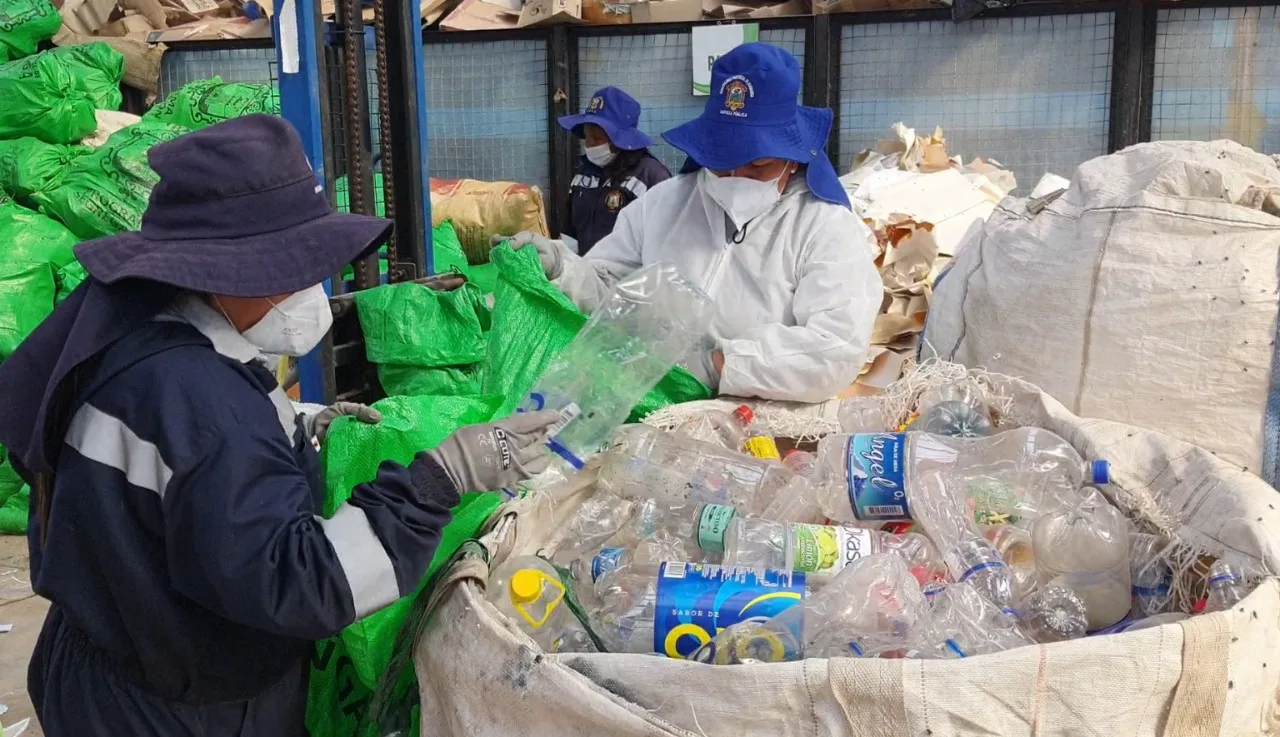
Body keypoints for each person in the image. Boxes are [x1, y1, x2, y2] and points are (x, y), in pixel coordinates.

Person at [0, 115, 558, 736]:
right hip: (177, 704)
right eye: (293, 272)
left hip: (108, 651)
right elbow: (306, 585)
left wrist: (296, 424)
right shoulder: (202, 400)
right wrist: (439, 480)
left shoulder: (122, 323)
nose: (307, 291)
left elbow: (170, 467)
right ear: (224, 272)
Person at [504, 44, 882, 404]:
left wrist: (717, 366)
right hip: (646, 396)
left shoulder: (823, 227)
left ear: (793, 158)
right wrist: (562, 269)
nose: (734, 176)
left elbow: (835, 347)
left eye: (757, 165)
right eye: (720, 161)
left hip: (751, 412)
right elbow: (609, 289)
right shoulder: (664, 204)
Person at [554, 86, 670, 254]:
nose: (589, 144)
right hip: (584, 269)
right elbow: (570, 235)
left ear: (620, 140)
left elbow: (666, 243)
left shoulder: (650, 177)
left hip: (633, 270)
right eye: (586, 136)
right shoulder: (583, 175)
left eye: (597, 137)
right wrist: (562, 261)